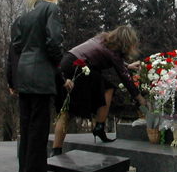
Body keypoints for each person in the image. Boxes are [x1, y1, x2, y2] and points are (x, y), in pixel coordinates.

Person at [13, 0, 72, 172]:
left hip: (24, 75)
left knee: (27, 128)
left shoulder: (25, 14)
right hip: (41, 76)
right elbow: (54, 42)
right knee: (38, 130)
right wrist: (56, 62)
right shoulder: (50, 9)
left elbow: (17, 45)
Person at [52, 25, 147, 155]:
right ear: (126, 43)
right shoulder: (113, 51)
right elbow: (125, 77)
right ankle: (99, 127)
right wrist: (140, 98)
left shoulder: (102, 39)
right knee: (106, 90)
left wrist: (127, 65)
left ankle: (56, 150)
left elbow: (114, 61)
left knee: (67, 109)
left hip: (66, 63)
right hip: (78, 67)